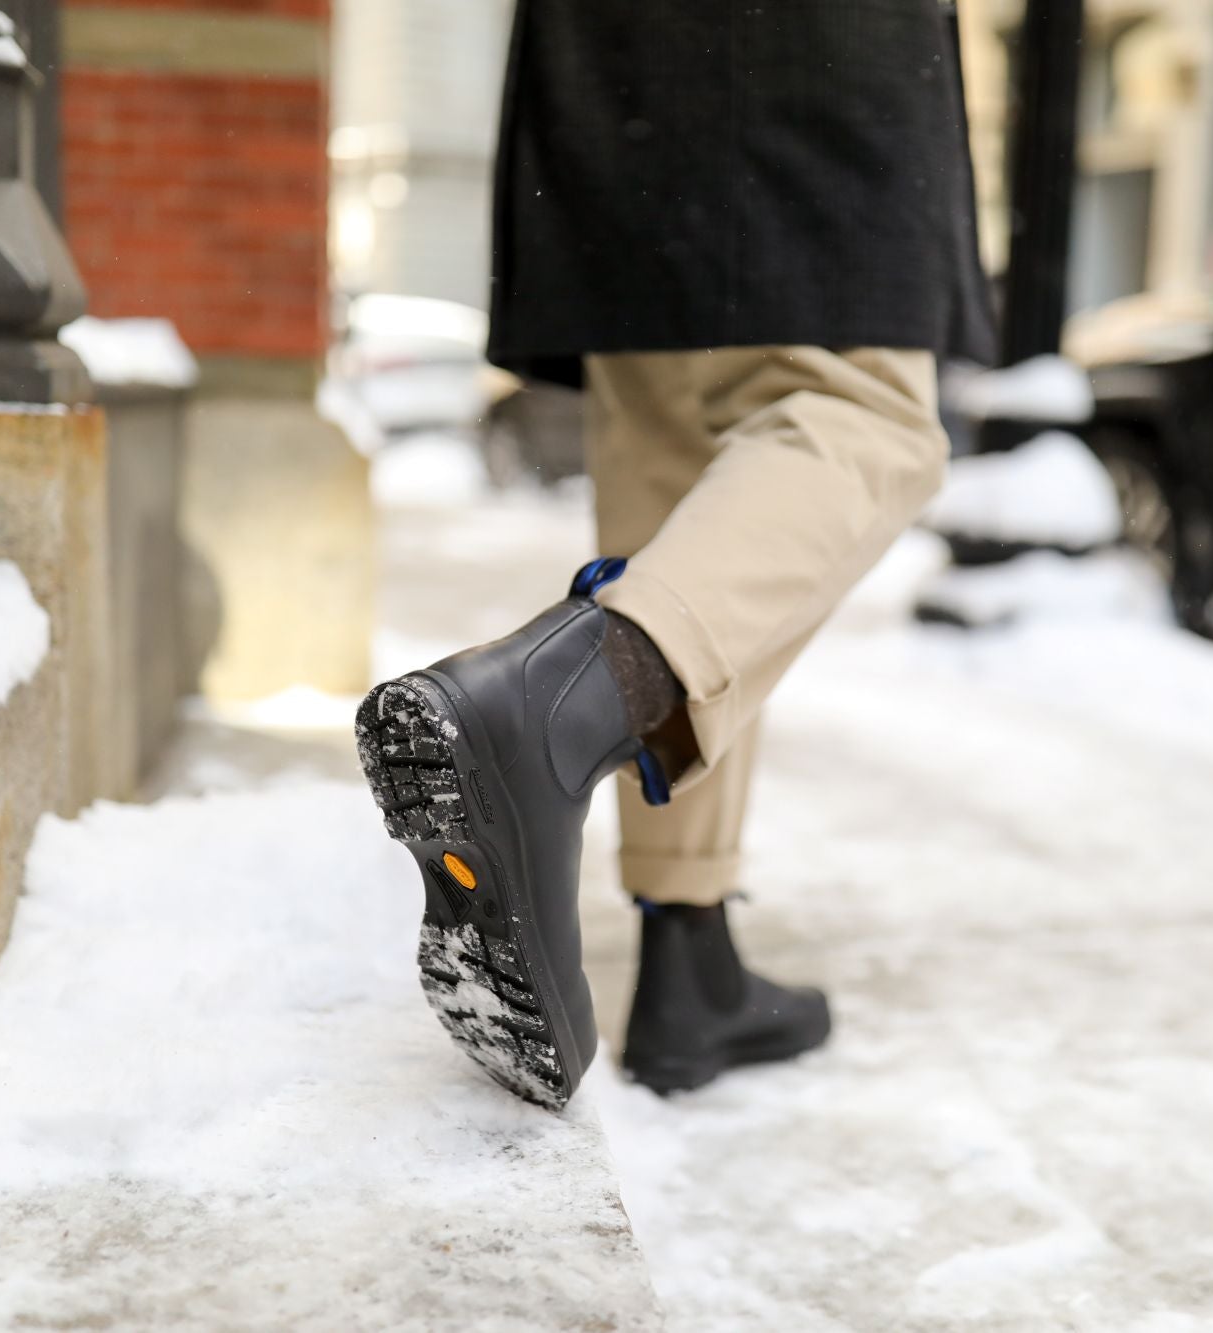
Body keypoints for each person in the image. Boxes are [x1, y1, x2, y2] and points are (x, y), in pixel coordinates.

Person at [356, 0, 994, 1109]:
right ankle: (553, 705)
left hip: (611, 58)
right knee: (863, 416)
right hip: (809, 49)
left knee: (674, 474)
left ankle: (687, 947)